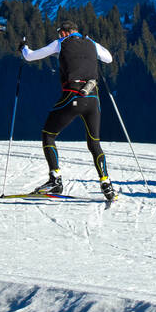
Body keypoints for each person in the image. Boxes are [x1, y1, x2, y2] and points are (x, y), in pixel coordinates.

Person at [20, 19, 117, 203]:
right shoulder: (92, 43)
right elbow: (109, 58)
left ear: (64, 33)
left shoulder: (60, 43)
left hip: (73, 96)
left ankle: (55, 180)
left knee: (48, 134)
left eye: (59, 33)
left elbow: (30, 56)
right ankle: (106, 183)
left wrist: (23, 47)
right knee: (94, 142)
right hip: (93, 99)